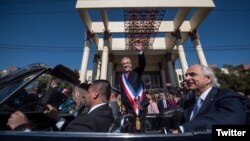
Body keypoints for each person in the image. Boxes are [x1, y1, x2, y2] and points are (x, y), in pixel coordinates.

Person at [7, 80, 114, 132]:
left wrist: (24, 129)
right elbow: (73, 131)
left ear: (95, 94)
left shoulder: (89, 120)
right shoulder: (105, 114)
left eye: (88, 92)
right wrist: (56, 117)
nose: (85, 95)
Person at [171, 64, 247, 133]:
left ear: (208, 79)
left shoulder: (227, 96)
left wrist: (184, 129)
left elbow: (231, 119)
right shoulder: (188, 103)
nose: (187, 78)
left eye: (192, 74)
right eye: (186, 75)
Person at [119, 41, 149, 133]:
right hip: (129, 109)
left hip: (140, 106)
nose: (125, 65)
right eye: (123, 64)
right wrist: (124, 106)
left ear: (131, 64)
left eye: (127, 63)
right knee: (132, 130)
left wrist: (140, 52)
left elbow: (142, 64)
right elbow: (123, 93)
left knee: (140, 130)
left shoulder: (136, 72)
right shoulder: (121, 77)